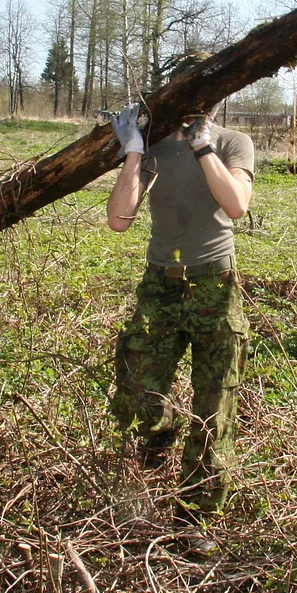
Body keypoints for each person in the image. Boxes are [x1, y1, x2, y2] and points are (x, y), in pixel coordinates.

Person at [106, 103, 254, 549]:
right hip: (160, 287)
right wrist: (133, 151)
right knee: (134, 388)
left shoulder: (232, 142)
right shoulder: (151, 150)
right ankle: (162, 428)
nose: (198, 108)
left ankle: (195, 515)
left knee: (215, 404)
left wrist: (202, 145)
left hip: (214, 283)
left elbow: (236, 205)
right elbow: (118, 220)